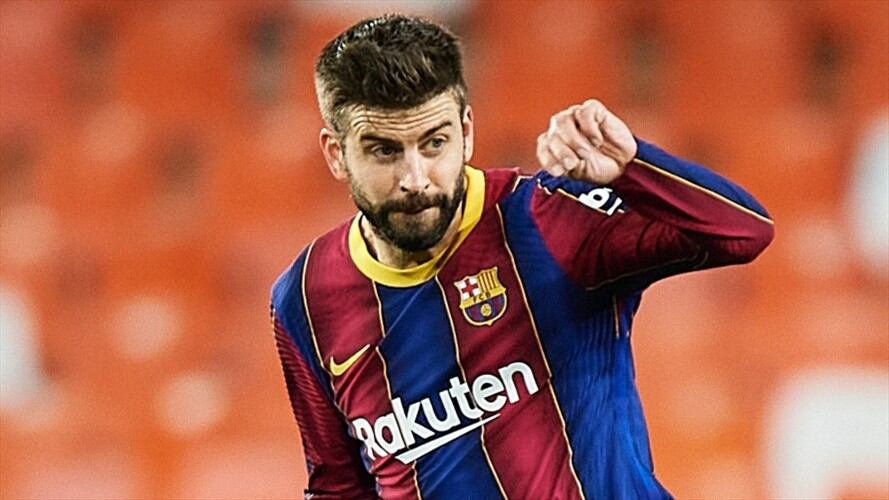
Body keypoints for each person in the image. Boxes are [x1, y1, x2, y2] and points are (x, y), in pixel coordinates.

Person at [270, 14, 773, 500]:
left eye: (435, 143)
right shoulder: (306, 300)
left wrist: (633, 167)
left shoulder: (547, 220)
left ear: (467, 133)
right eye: (384, 151)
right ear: (337, 153)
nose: (415, 178)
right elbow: (337, 485)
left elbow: (744, 232)